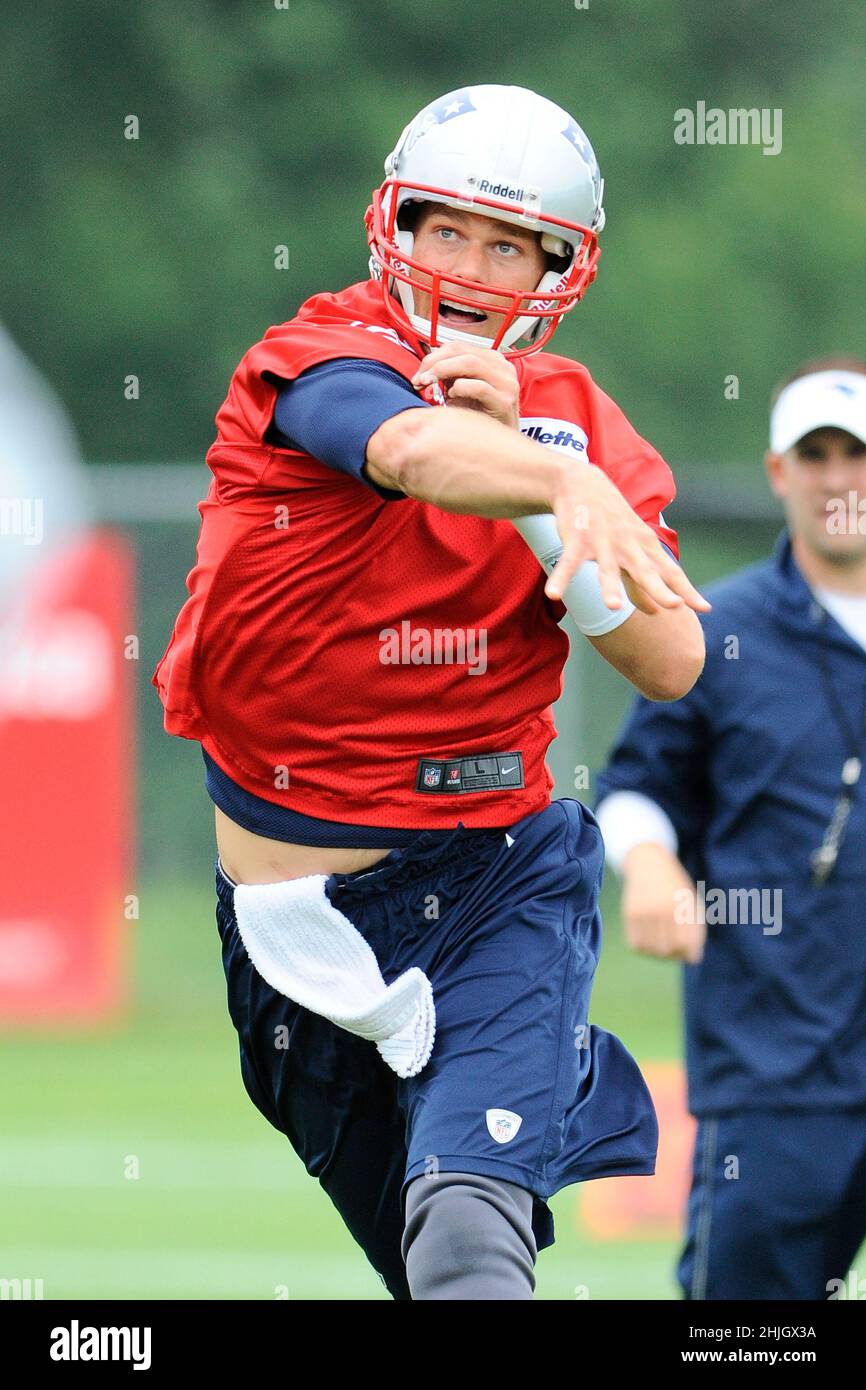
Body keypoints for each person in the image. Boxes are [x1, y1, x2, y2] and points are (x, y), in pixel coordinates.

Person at [153, 83, 707, 1301]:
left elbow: (670, 664)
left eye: (507, 243)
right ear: (389, 227)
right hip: (293, 925)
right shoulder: (314, 352)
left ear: (559, 267)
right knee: (421, 1274)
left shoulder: (574, 427)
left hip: (496, 879)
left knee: (466, 1245)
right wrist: (540, 486)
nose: (465, 265)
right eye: (443, 229)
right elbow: (407, 451)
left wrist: (552, 480)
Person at [595, 356, 866, 1301]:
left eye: (858, 454)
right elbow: (634, 785)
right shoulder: (714, 630)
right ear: (779, 474)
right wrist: (651, 865)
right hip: (774, 1075)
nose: (840, 478)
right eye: (816, 455)